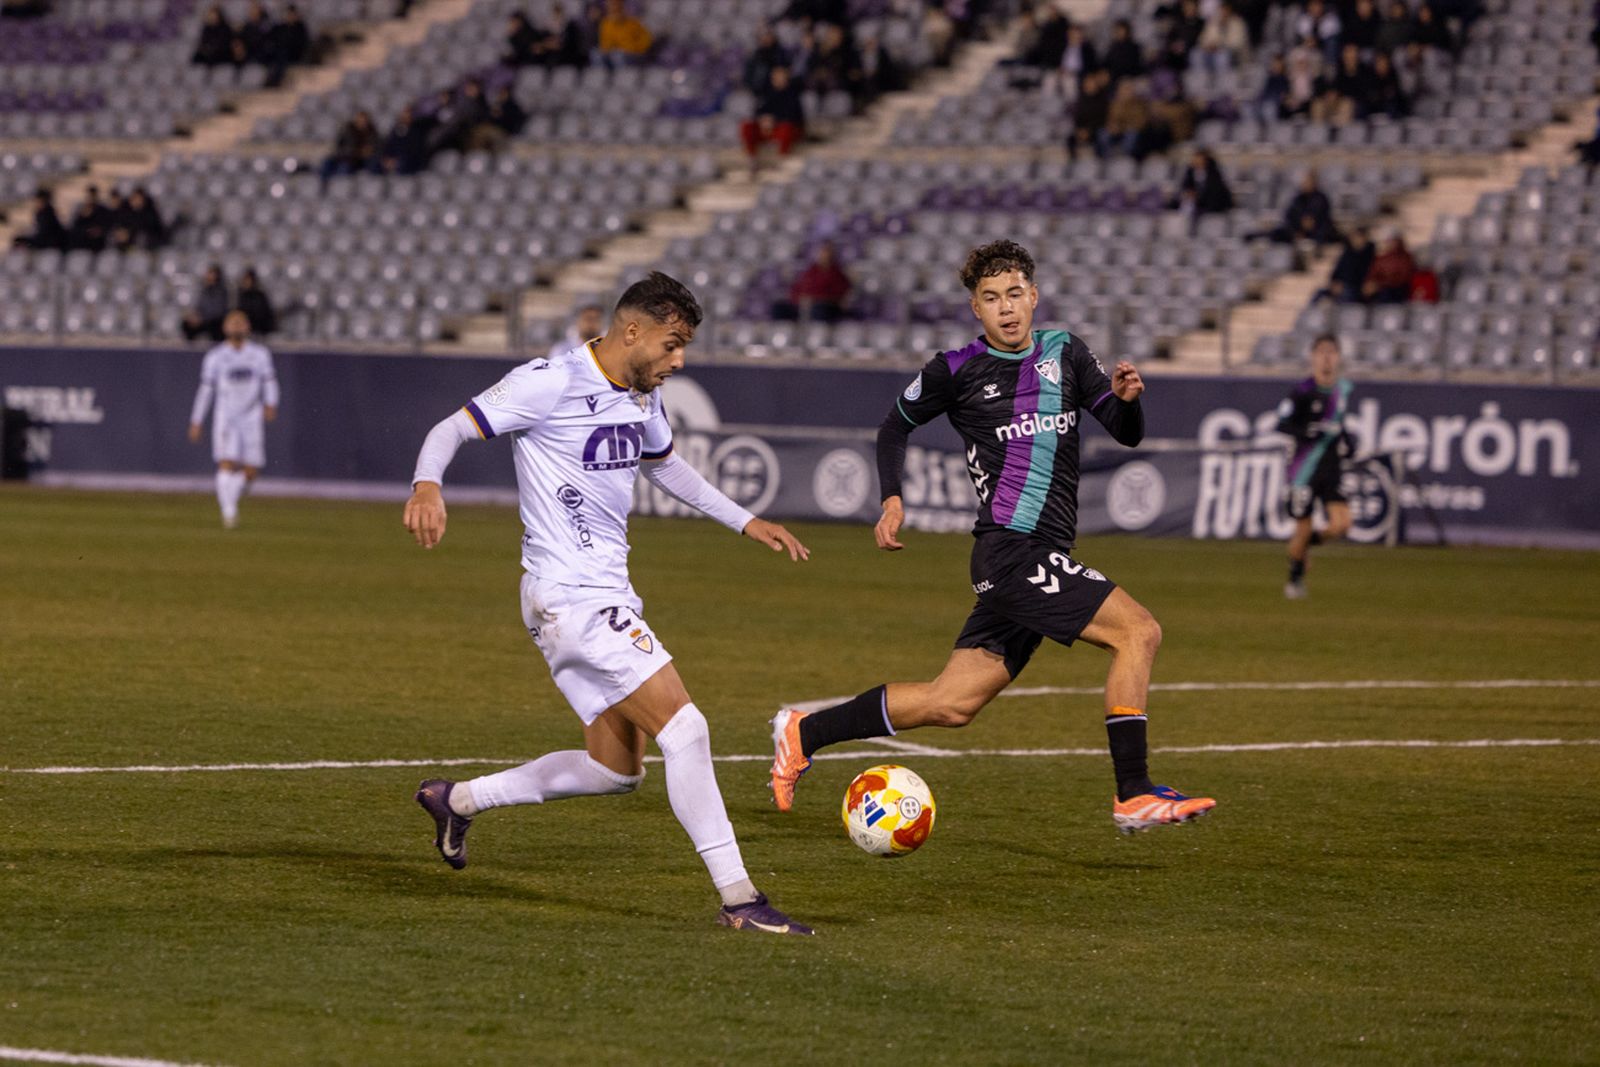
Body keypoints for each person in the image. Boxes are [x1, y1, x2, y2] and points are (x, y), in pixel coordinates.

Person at [403, 272, 815, 936]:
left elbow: (667, 466)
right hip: (571, 596)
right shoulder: (551, 380)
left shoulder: (641, 394)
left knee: (614, 769)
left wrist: (745, 520)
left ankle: (457, 800)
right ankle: (740, 898)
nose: (678, 361)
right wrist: (427, 484)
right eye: (672, 344)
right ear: (633, 331)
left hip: (597, 595)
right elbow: (450, 429)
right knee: (687, 728)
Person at [768, 240, 1216, 834]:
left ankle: (804, 731)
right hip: (1010, 551)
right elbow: (892, 428)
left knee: (949, 704)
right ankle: (1133, 793)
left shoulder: (1067, 352)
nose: (1006, 308)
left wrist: (1130, 401)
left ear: (1033, 296)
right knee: (1139, 630)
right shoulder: (954, 370)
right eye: (990, 298)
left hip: (1039, 555)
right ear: (975, 309)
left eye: (1014, 295)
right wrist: (892, 499)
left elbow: (1124, 430)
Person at [1276, 334, 1353, 599]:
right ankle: (1294, 579)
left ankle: (1305, 548)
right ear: (1313, 356)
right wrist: (1305, 431)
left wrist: (1347, 441)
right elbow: (1282, 423)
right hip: (1304, 470)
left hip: (1331, 466)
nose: (1327, 357)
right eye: (1321, 351)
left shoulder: (1342, 390)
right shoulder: (1303, 391)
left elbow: (1338, 425)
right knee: (1303, 526)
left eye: (1331, 351)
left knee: (1342, 524)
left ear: (1338, 356)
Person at [188, 309, 279, 529]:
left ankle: (229, 500)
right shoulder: (216, 356)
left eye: (241, 322)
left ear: (247, 327)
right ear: (225, 328)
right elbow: (206, 390)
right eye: (233, 322)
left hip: (251, 415)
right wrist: (196, 420)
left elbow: (269, 381)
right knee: (226, 463)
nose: (237, 326)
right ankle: (229, 511)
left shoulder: (259, 354)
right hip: (226, 415)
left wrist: (271, 403)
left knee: (251, 470)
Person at [739, 65, 804, 174]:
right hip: (766, 128)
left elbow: (794, 116)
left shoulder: (793, 94)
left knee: (787, 128)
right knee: (747, 126)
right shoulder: (766, 92)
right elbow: (758, 111)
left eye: (781, 76)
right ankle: (752, 160)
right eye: (776, 76)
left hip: (781, 127)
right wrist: (763, 120)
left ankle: (781, 160)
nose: (778, 79)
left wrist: (774, 121)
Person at [778, 240, 851, 322]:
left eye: (826, 252)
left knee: (819, 309)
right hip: (803, 305)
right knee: (779, 307)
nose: (824, 255)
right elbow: (797, 288)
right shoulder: (811, 271)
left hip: (822, 307)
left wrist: (813, 300)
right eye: (822, 252)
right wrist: (800, 299)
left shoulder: (837, 274)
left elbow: (838, 297)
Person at [320, 110, 379, 184]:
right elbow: (339, 146)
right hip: (345, 156)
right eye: (359, 119)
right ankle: (323, 183)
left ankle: (339, 186)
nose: (361, 122)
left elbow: (374, 148)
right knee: (327, 162)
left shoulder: (372, 132)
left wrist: (366, 152)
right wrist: (353, 151)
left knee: (343, 168)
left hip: (358, 161)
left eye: (364, 120)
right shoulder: (347, 131)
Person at [1363, 229, 1416, 303]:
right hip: (1381, 288)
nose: (1389, 243)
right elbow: (1373, 273)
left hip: (1397, 289)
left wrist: (1380, 285)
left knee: (1386, 294)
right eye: (1387, 241)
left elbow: (1403, 278)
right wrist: (1370, 283)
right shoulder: (1382, 258)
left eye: (1391, 241)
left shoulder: (1405, 258)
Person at [182, 263, 231, 341]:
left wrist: (202, 318)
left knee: (215, 324)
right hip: (203, 321)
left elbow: (218, 311)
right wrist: (194, 316)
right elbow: (198, 306)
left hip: (214, 321)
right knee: (186, 323)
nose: (207, 275)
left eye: (211, 273)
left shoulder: (222, 291)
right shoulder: (203, 290)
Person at [595, 0, 651, 67]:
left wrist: (634, 49)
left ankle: (624, 75)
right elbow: (605, 44)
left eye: (617, 9)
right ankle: (603, 75)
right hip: (615, 54)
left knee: (618, 56)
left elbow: (646, 40)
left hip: (633, 54)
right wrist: (607, 49)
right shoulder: (606, 24)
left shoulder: (633, 23)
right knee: (596, 54)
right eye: (612, 10)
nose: (615, 12)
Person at [234, 267, 277, 336]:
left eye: (248, 279)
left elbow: (265, 314)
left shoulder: (260, 295)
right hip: (244, 330)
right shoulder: (240, 296)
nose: (246, 282)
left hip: (259, 330)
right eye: (245, 279)